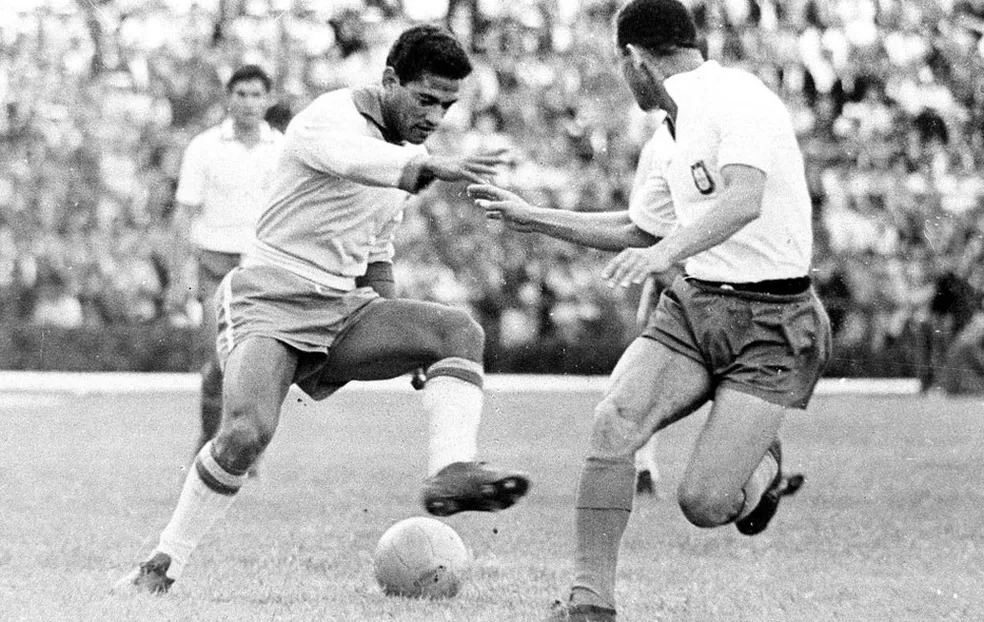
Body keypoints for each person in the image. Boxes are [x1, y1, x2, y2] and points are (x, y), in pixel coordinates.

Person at [116, 25, 529, 595]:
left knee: (457, 332)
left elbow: (377, 253)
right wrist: (430, 168)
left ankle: (451, 469)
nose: (435, 116)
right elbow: (357, 162)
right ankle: (164, 562)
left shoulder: (412, 152)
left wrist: (401, 333)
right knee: (244, 434)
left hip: (341, 305)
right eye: (425, 99)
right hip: (268, 298)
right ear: (389, 81)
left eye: (447, 105)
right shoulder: (328, 118)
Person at [470, 1, 830, 619]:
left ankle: (759, 472)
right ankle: (590, 603)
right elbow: (641, 229)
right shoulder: (666, 132)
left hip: (775, 322)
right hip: (697, 306)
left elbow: (744, 199)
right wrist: (534, 217)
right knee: (615, 421)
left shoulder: (739, 99)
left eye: (621, 67)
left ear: (635, 60)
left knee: (704, 503)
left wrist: (665, 250)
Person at [170, 65, 285, 463]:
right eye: (241, 94)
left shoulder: (283, 149)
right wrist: (177, 276)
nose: (249, 103)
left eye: (257, 95)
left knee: (259, 364)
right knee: (218, 361)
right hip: (215, 264)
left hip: (262, 268)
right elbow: (184, 214)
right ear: (228, 98)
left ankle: (245, 449)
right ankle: (209, 443)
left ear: (269, 99)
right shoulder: (204, 147)